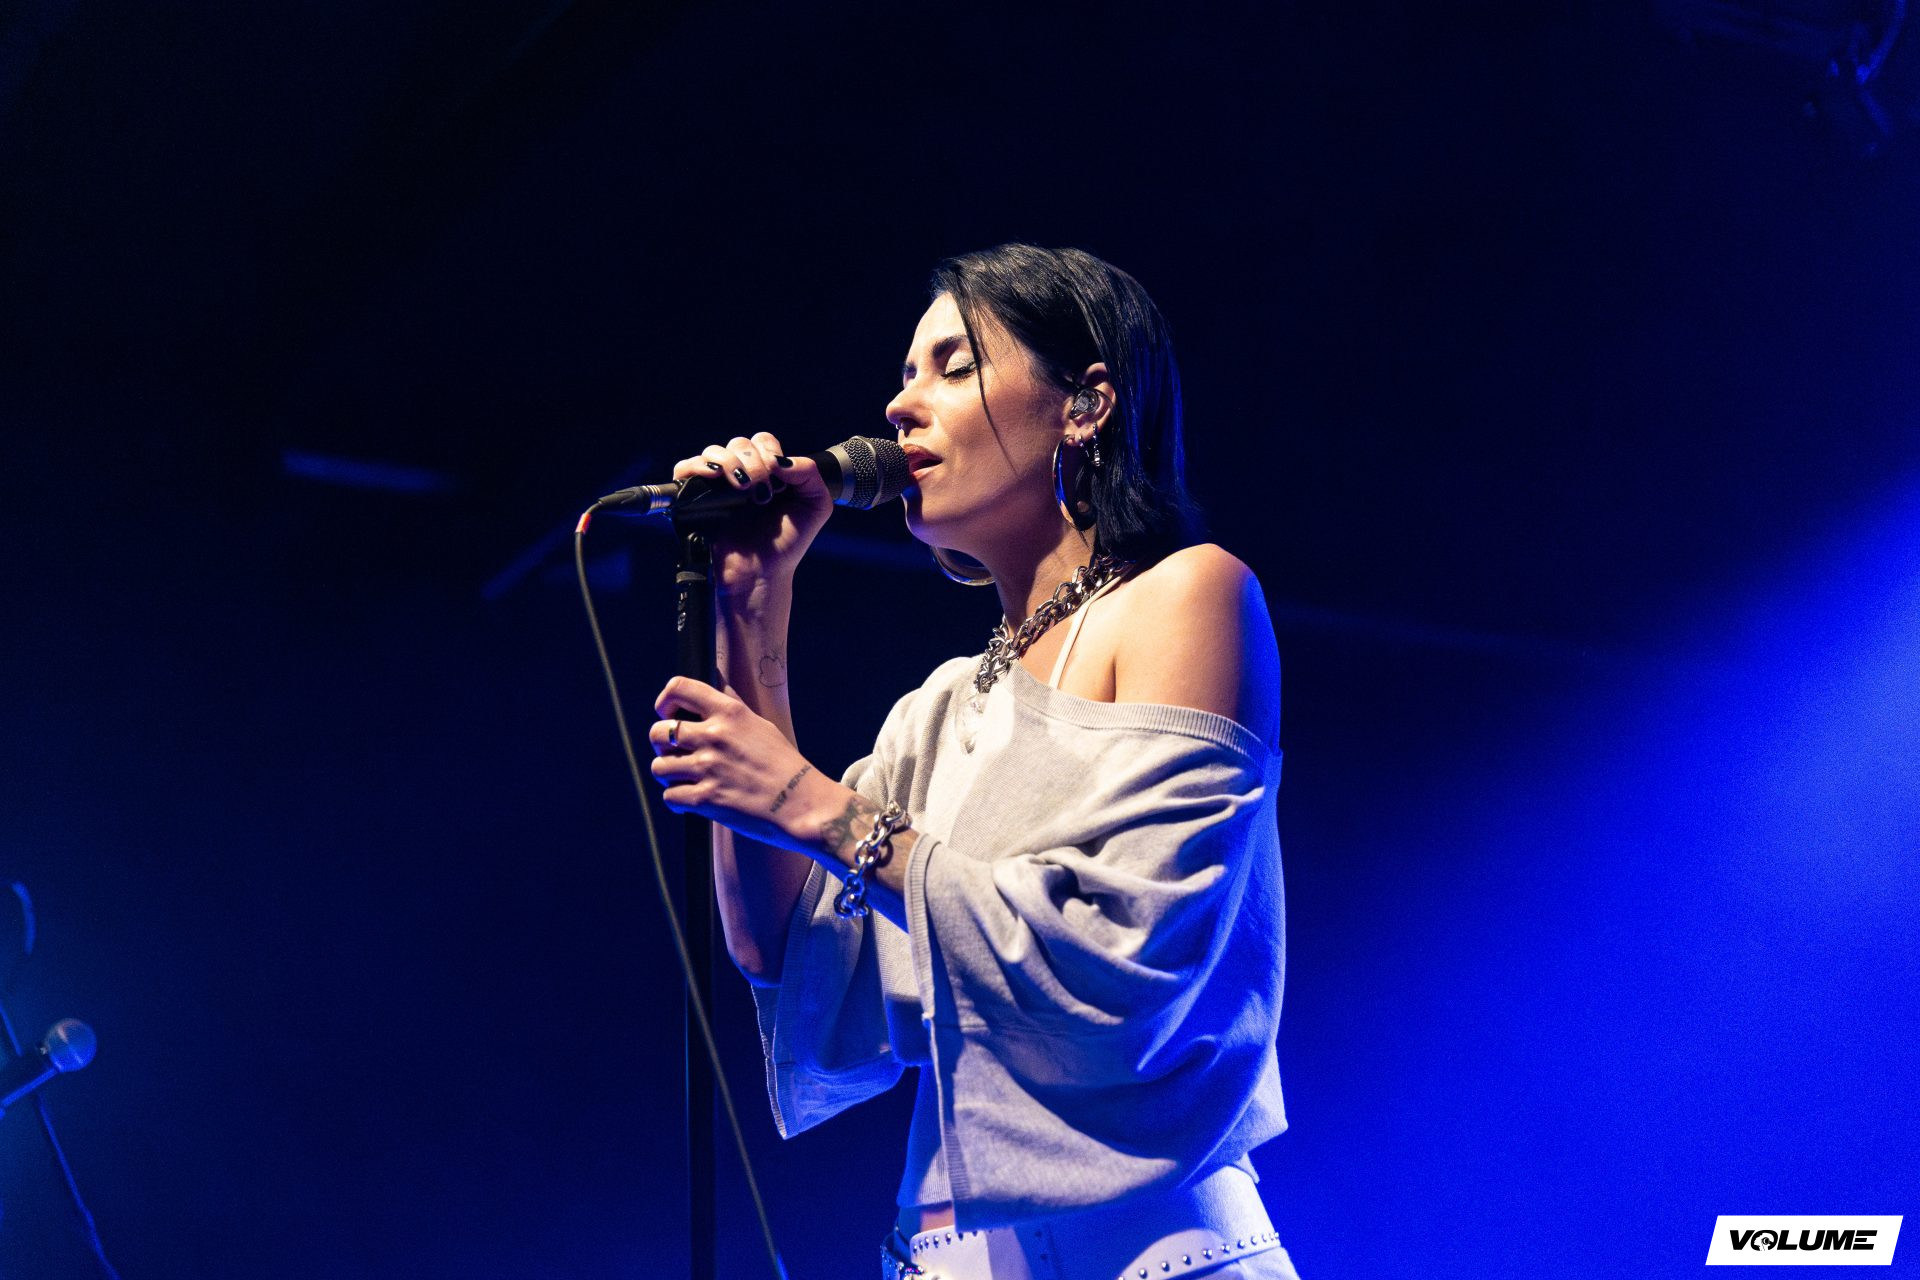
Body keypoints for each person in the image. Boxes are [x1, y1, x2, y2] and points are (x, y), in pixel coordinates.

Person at [648, 244, 1299, 1280]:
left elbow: (1126, 954)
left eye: (955, 367)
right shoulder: (941, 709)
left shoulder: (1188, 595)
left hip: (1152, 1251)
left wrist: (817, 806)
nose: (901, 407)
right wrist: (753, 611)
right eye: (904, 375)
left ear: (1085, 404)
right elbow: (789, 951)